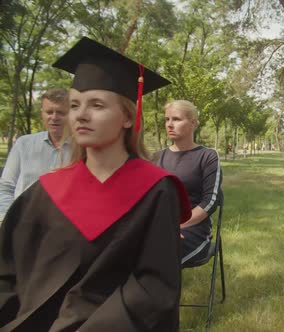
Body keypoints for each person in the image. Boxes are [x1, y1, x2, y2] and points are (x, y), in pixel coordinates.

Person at [0, 37, 191, 331]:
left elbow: (153, 290)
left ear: (128, 117)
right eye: (75, 105)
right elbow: (8, 270)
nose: (81, 115)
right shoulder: (46, 191)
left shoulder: (155, 190)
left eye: (97, 105)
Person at [153, 100, 222, 267]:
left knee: (158, 259)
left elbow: (210, 202)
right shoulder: (156, 157)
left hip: (194, 229)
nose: (169, 125)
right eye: (167, 119)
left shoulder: (207, 156)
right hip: (160, 227)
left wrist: (177, 227)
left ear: (193, 123)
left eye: (176, 119)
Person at [0, 88, 71, 221]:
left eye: (61, 113)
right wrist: (8, 219)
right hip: (21, 221)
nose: (54, 117)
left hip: (63, 226)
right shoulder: (23, 144)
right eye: (49, 112)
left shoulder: (83, 150)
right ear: (42, 114)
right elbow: (5, 187)